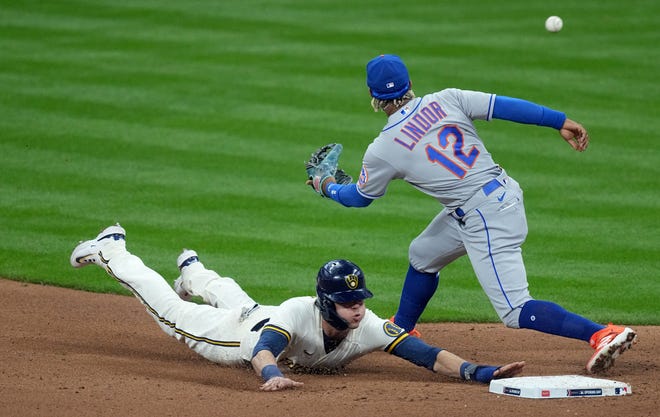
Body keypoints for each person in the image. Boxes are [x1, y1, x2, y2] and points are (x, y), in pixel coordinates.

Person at [306, 54, 637, 374]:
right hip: (499, 193)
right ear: (410, 84)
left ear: (372, 95)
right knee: (423, 254)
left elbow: (360, 198)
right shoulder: (448, 98)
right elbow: (505, 106)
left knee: (515, 309)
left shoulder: (384, 148)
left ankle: (601, 333)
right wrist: (559, 121)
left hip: (485, 217)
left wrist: (326, 185)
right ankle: (402, 329)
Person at [70, 224, 525, 391]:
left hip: (258, 313)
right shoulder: (296, 313)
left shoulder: (365, 325)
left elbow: (425, 355)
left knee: (244, 301)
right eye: (348, 303)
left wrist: (478, 372)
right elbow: (263, 351)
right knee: (169, 311)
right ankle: (112, 250)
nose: (358, 309)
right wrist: (271, 377)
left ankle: (193, 272)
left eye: (359, 300)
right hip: (237, 337)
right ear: (327, 303)